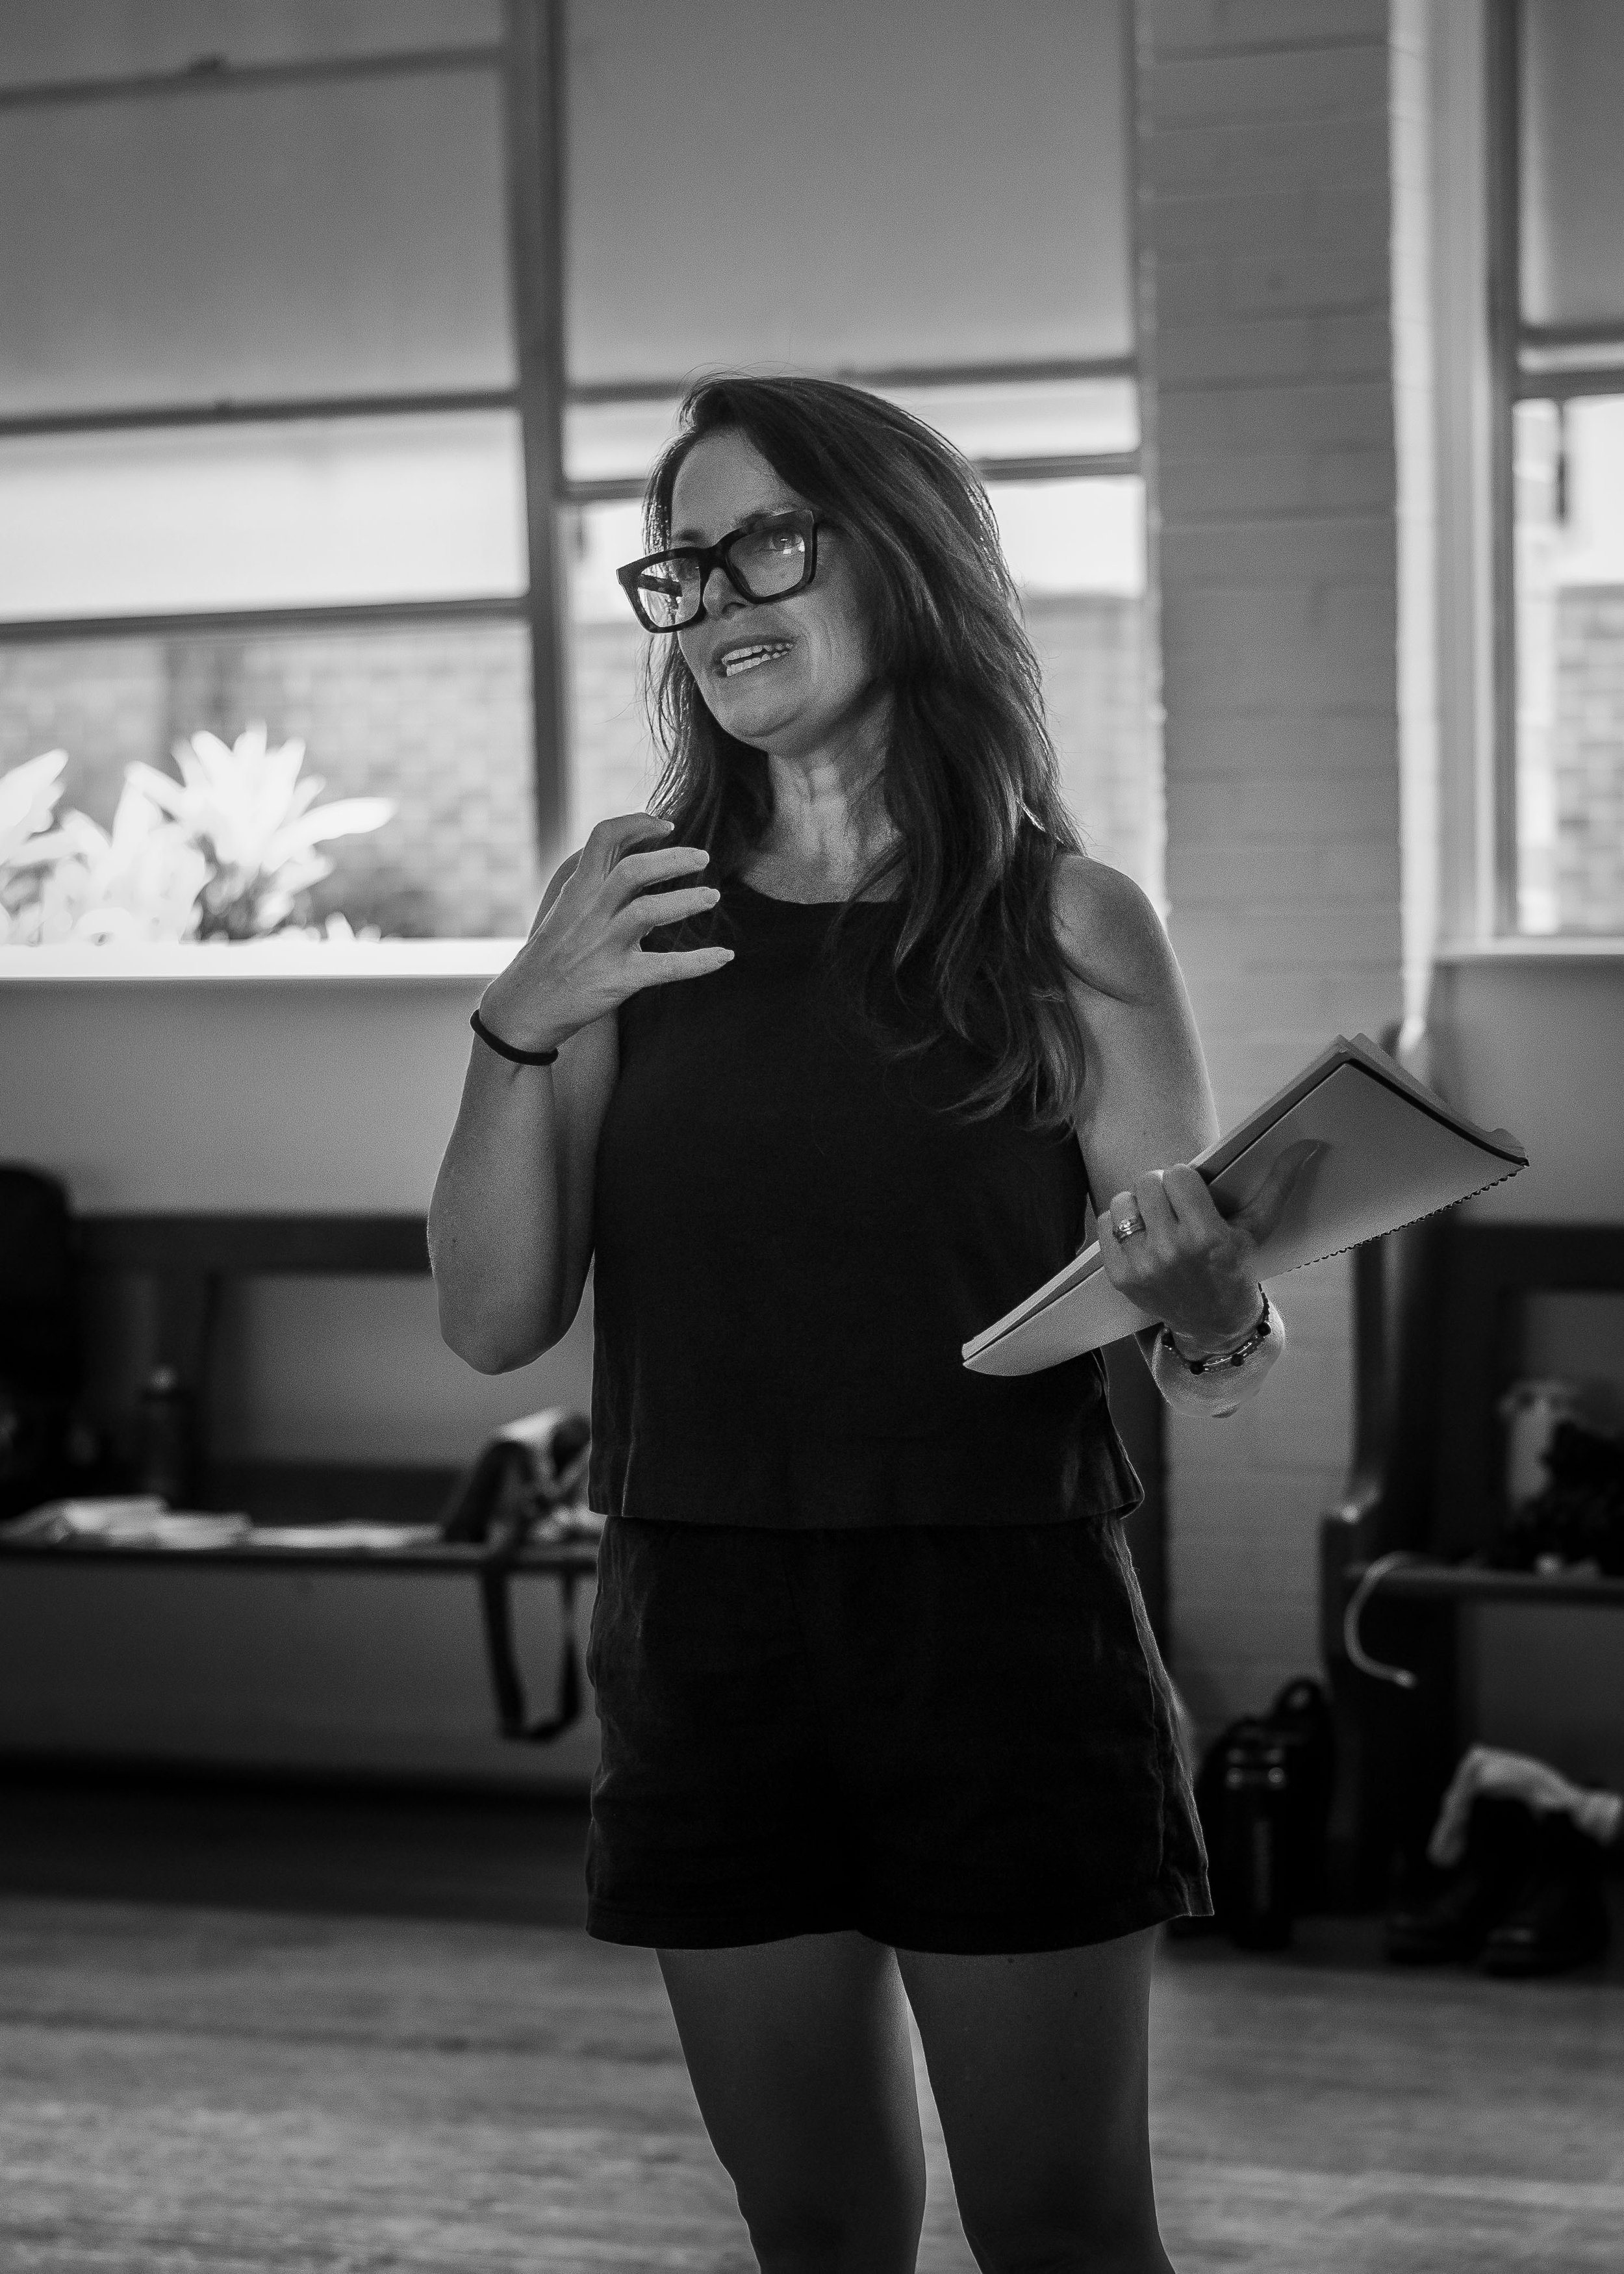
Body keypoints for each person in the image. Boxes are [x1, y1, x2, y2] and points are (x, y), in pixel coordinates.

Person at [430, 376, 1306, 2274]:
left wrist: (1213, 1305)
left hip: (1000, 1627)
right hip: (703, 1629)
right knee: (816, 2225)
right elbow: (492, 1319)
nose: (715, 597)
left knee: (1065, 2226)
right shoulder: (627, 912)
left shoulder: (1070, 924)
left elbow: (1199, 1333)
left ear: (905, 559)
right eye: (683, 562)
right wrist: (520, 1016)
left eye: (766, 542)